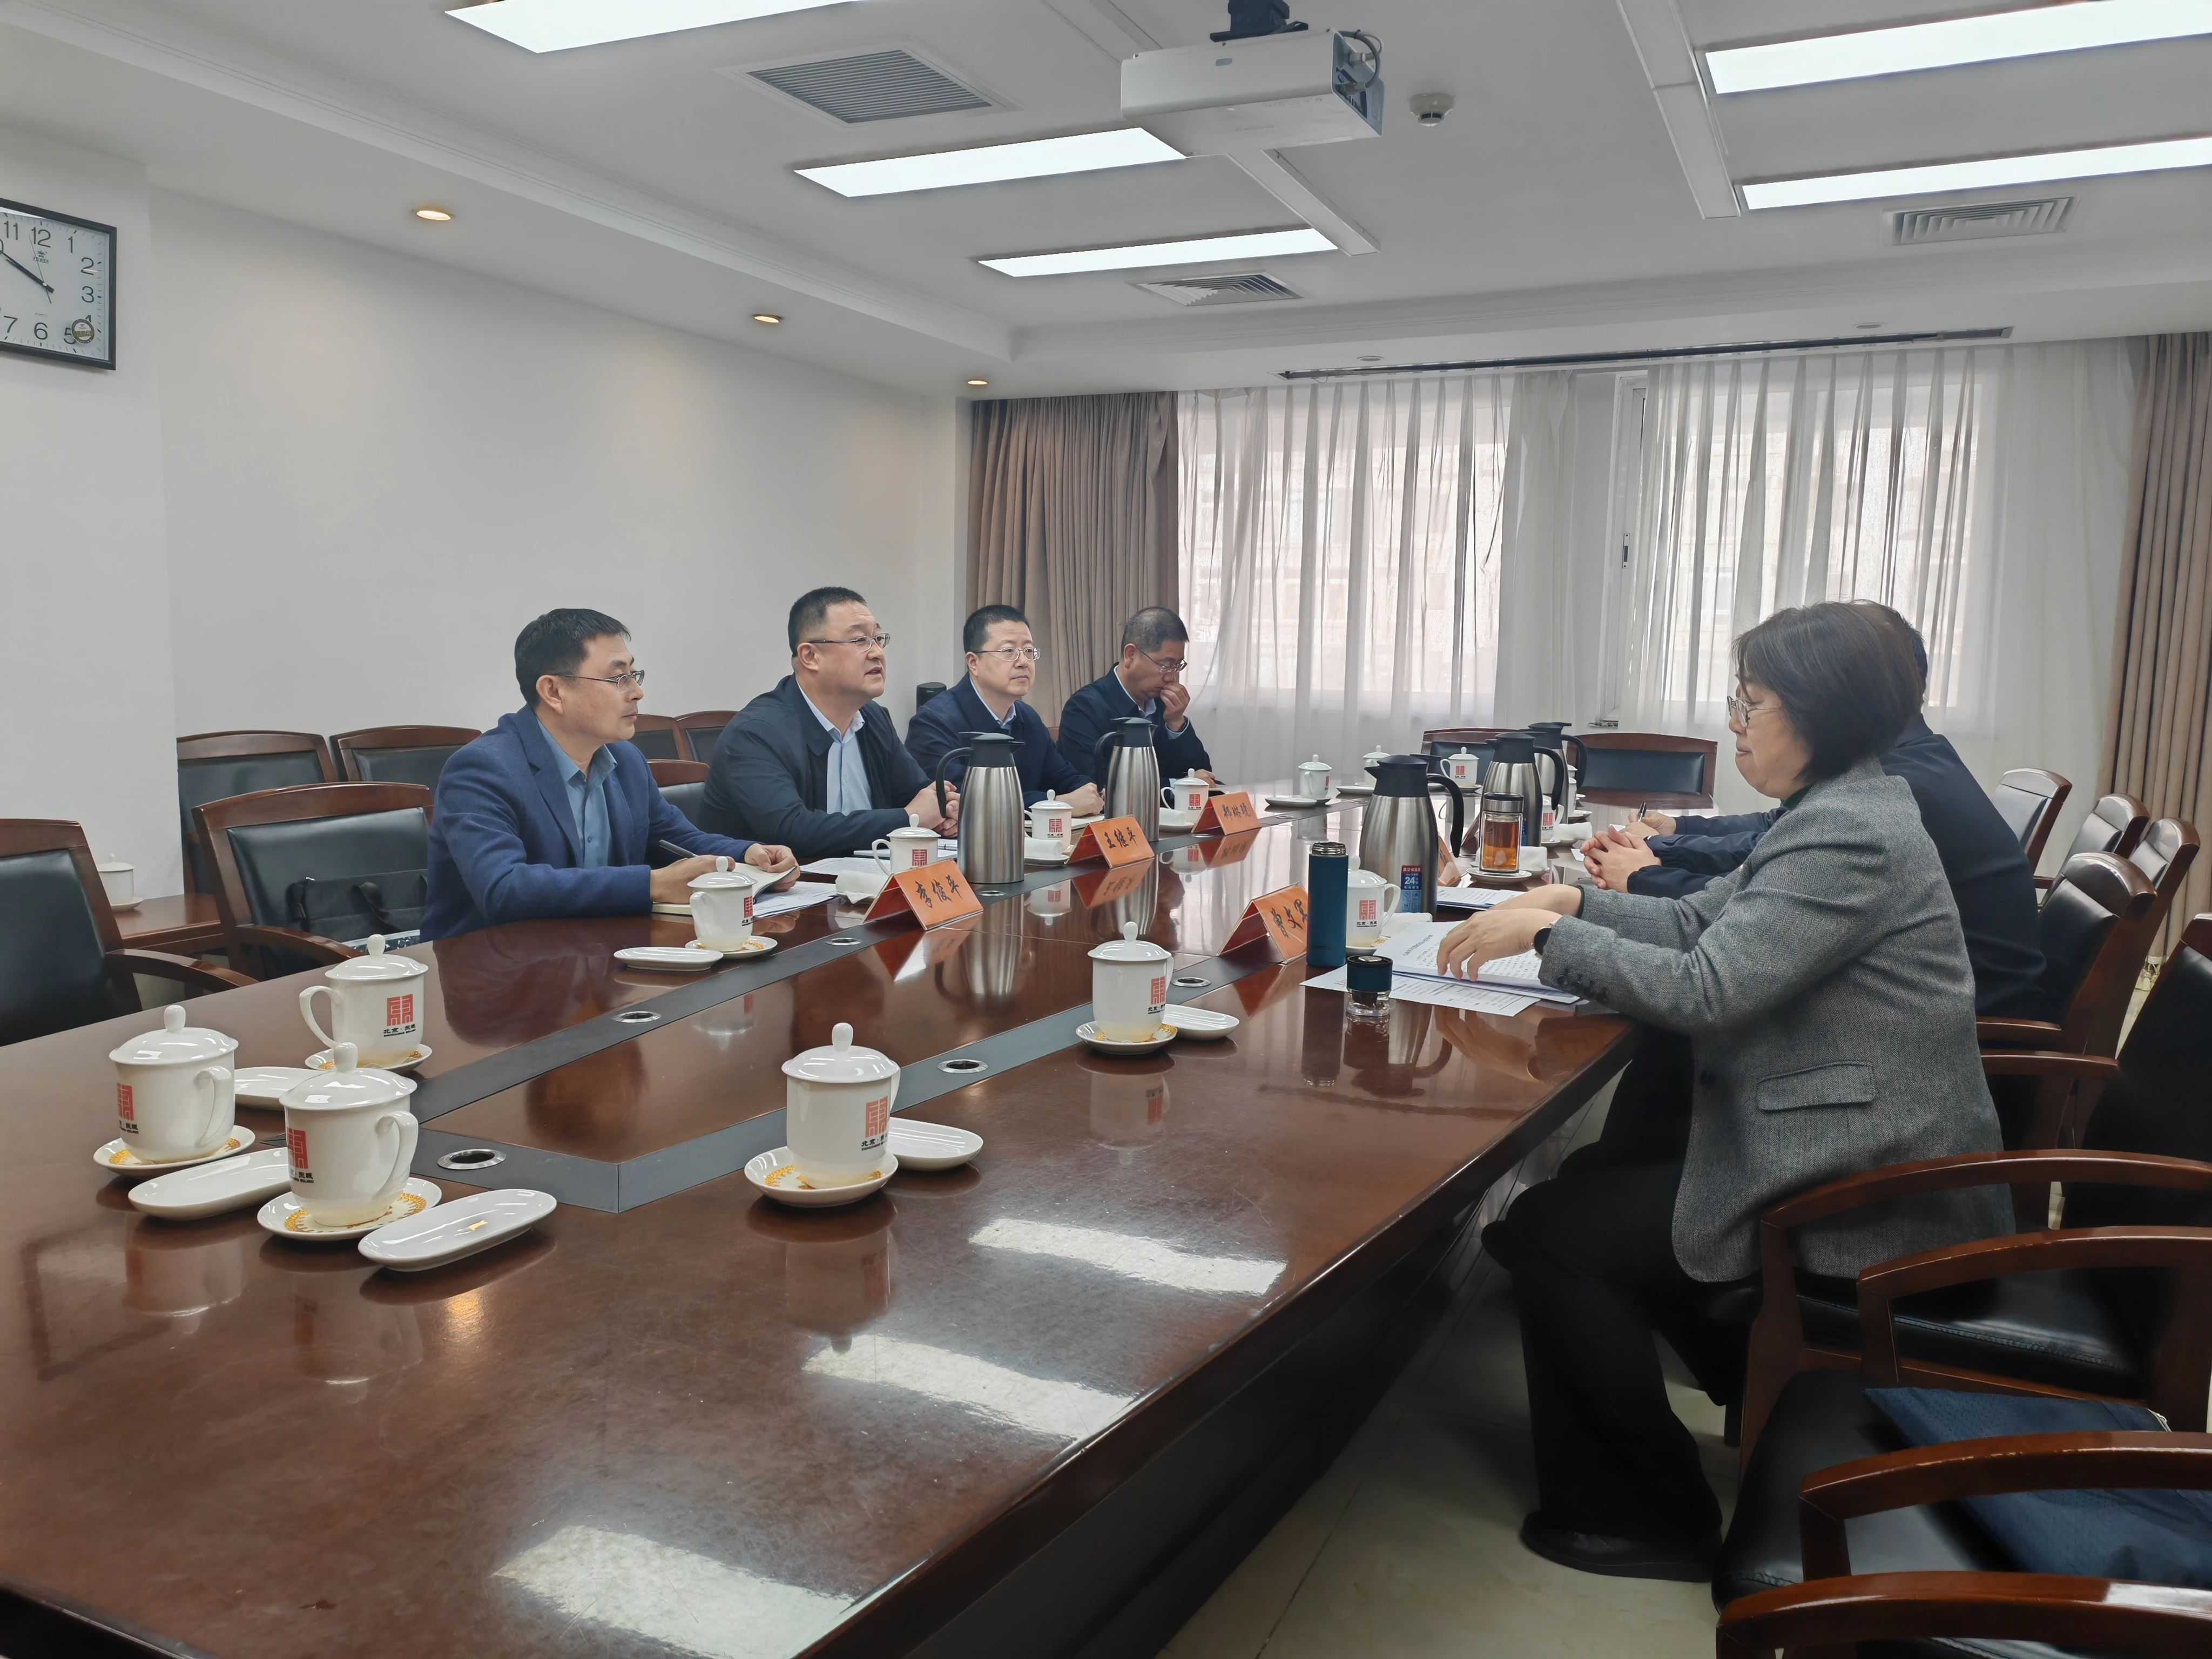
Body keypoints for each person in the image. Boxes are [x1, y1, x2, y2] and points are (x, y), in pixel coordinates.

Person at [1436, 600, 2009, 1581]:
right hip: (1842, 1131)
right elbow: (1700, 920)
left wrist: (1548, 937)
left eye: (1751, 705)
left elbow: (1707, 985)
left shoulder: (1851, 833)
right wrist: (1575, 899)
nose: (1734, 725)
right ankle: (1668, 1440)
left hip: (1874, 1185)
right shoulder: (1838, 807)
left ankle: (1646, 1516)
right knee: (1582, 1195)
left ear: (1820, 712)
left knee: (1559, 1234)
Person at [1582, 604, 2044, 1016]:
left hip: (1962, 1019)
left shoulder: (1885, 798)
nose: (1737, 722)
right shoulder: (1887, 771)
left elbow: (1726, 961)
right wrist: (1668, 843)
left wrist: (1642, 877)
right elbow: (1773, 843)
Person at [423, 609, 796, 941]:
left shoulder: (625, 759)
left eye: (634, 675)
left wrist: (748, 854)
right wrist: (652, 884)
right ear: (554, 691)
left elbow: (675, 838)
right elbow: (505, 888)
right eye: (619, 679)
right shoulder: (482, 769)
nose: (637, 693)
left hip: (596, 956)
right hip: (494, 970)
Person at [698, 587, 957, 863]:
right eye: (860, 640)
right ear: (811, 656)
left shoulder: (873, 718)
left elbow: (921, 795)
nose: (877, 653)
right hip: (777, 886)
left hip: (864, 879)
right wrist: (909, 818)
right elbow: (792, 830)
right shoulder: (756, 732)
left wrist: (947, 810)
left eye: (878, 639)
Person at [906, 605, 1104, 815]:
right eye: (1008, 651)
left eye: (1029, 651)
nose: (1023, 662)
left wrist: (1091, 792)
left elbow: (1065, 778)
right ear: (974, 663)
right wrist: (1054, 804)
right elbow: (964, 800)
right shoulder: (933, 722)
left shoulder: (1028, 718)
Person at [1057, 606, 1215, 788]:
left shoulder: (1164, 703)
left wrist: (1176, 723)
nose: (1171, 678)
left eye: (1178, 666)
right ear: (1131, 655)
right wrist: (1178, 786)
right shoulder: (1084, 707)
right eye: (1166, 665)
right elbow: (1094, 784)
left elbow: (1204, 775)